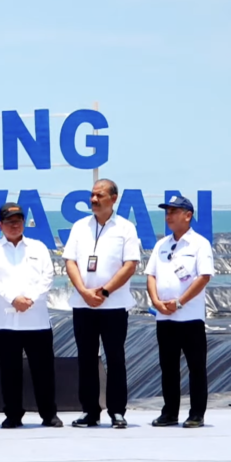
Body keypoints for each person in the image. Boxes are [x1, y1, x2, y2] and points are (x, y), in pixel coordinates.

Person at [62, 178, 141, 429]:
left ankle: (117, 411)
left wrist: (105, 291)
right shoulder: (79, 226)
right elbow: (70, 262)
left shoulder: (125, 228)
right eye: (92, 195)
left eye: (100, 195)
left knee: (115, 358)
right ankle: (90, 411)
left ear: (113, 199)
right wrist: (84, 292)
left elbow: (130, 265)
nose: (94, 200)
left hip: (114, 306)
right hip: (83, 304)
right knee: (86, 359)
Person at [0, 202, 61, 428]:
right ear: (0, 224)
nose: (14, 225)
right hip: (4, 321)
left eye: (18, 221)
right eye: (9, 222)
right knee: (9, 372)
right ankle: (13, 414)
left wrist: (31, 298)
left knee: (43, 371)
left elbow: (48, 277)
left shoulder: (38, 248)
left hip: (37, 321)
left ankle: (49, 414)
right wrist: (13, 298)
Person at [146, 196, 214, 429]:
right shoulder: (161, 244)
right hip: (164, 317)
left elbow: (203, 277)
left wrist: (180, 302)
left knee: (196, 367)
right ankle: (170, 412)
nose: (169, 216)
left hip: (190, 317)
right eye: (167, 211)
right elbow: (151, 275)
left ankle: (196, 413)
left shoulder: (199, 244)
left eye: (174, 211)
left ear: (188, 215)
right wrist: (155, 300)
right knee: (168, 367)